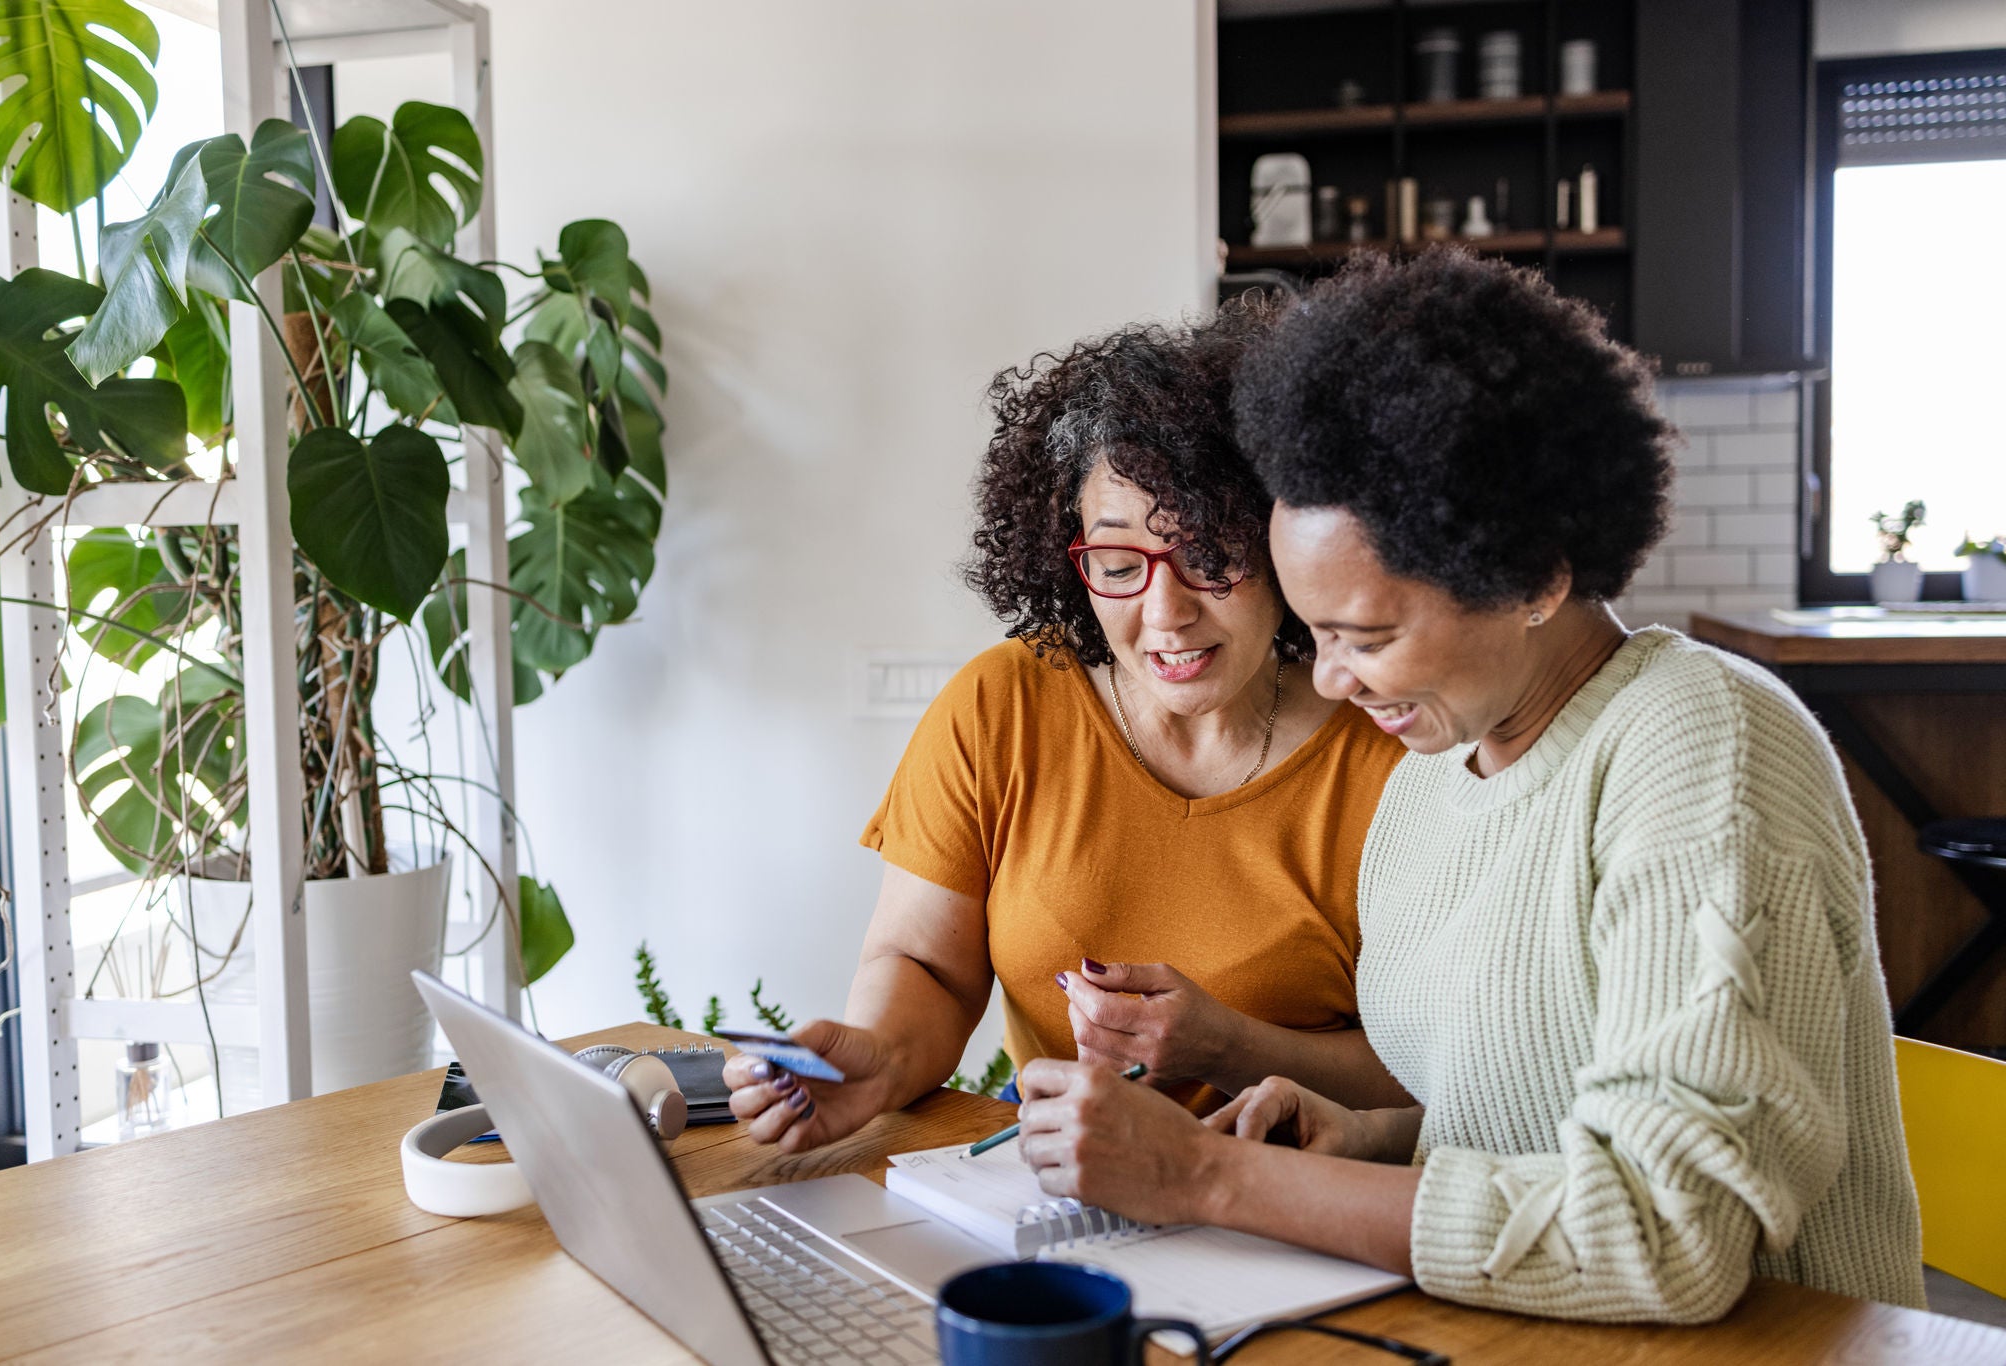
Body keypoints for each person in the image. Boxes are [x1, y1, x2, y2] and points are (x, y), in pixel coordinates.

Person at [1010, 250, 1926, 1323]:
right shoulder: (1431, 780)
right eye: (1314, 635)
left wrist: (1210, 1178)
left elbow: (1661, 1233)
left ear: (1532, 575)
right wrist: (1365, 1141)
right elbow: (1526, 1112)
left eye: (1367, 635)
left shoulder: (1702, 748)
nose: (1335, 680)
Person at [724, 303, 1409, 1152]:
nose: (1166, 614)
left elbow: (1444, 1068)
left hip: (1293, 1208)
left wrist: (1228, 1047)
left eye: (1211, 558)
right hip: (1056, 1195)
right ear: (1070, 555)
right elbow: (928, 967)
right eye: (1119, 565)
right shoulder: (1002, 708)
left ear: (1283, 544)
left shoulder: (1392, 751)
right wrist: (879, 1058)